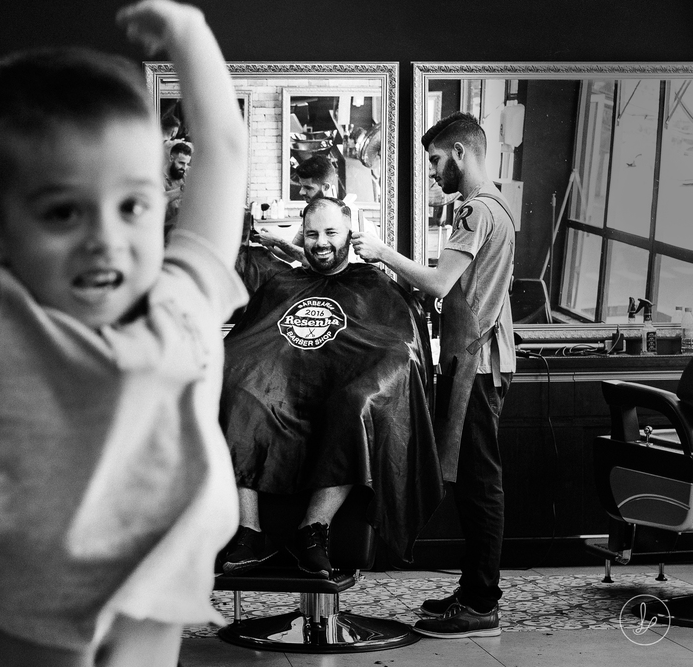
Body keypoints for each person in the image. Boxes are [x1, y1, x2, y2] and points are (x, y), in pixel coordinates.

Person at [0, 0, 247, 666]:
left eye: (132, 205)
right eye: (62, 214)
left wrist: (190, 35)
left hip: (149, 626)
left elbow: (223, 150)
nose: (105, 238)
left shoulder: (185, 300)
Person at [352, 110, 515, 639]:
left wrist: (382, 253)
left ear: (461, 153)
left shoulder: (476, 211)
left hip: (477, 366)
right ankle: (472, 591)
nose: (434, 170)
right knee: (471, 484)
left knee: (480, 485)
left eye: (437, 159)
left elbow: (442, 283)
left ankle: (482, 604)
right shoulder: (495, 207)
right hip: (478, 361)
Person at [218, 197, 442, 576]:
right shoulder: (284, 283)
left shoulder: (371, 283)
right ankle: (250, 530)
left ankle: (314, 528)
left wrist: (367, 378)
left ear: (349, 234)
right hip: (282, 388)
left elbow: (398, 348)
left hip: (342, 391)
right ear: (302, 236)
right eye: (312, 234)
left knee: (354, 404)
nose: (321, 242)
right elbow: (250, 342)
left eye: (330, 233)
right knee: (236, 390)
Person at [257, 152, 339, 263]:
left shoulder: (338, 216)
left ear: (326, 187)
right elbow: (290, 257)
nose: (301, 192)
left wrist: (277, 241)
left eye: (308, 188)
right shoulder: (310, 213)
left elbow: (317, 260)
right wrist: (268, 241)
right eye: (301, 186)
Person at [162, 139, 193, 238]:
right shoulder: (158, 176)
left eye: (187, 164)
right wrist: (182, 189)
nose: (184, 167)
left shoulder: (186, 172)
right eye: (181, 163)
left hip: (182, 227)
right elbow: (160, 199)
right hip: (164, 229)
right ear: (171, 158)